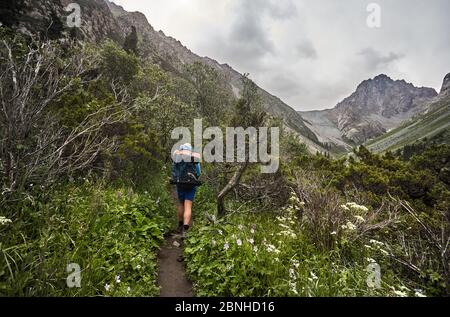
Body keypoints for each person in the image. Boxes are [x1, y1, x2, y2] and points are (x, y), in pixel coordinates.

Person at [172, 143, 201, 238]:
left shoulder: (177, 158)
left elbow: (174, 170)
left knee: (181, 204)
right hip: (191, 184)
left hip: (180, 183)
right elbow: (198, 172)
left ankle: (180, 226)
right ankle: (185, 230)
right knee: (188, 206)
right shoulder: (193, 159)